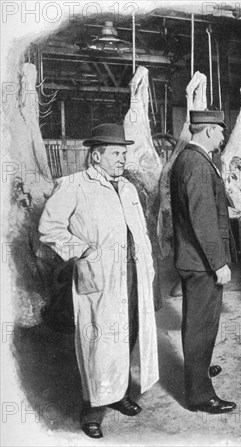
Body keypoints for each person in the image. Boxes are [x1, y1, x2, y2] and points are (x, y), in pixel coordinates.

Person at [38, 124, 159, 439]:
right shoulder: (73, 185)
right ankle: (91, 412)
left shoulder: (128, 188)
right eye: (116, 153)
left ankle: (118, 396)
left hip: (132, 276)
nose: (122, 159)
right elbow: (49, 227)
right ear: (95, 156)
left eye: (123, 153)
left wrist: (146, 264)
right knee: (99, 347)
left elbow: (139, 232)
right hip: (101, 278)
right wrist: (81, 251)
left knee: (129, 334)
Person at [170, 110, 236, 414]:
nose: (224, 137)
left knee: (201, 324)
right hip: (201, 262)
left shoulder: (191, 159)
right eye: (221, 131)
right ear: (209, 131)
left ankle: (199, 372)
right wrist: (218, 262)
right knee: (201, 326)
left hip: (195, 258)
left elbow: (204, 207)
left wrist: (227, 209)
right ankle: (199, 395)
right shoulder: (196, 162)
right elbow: (202, 219)